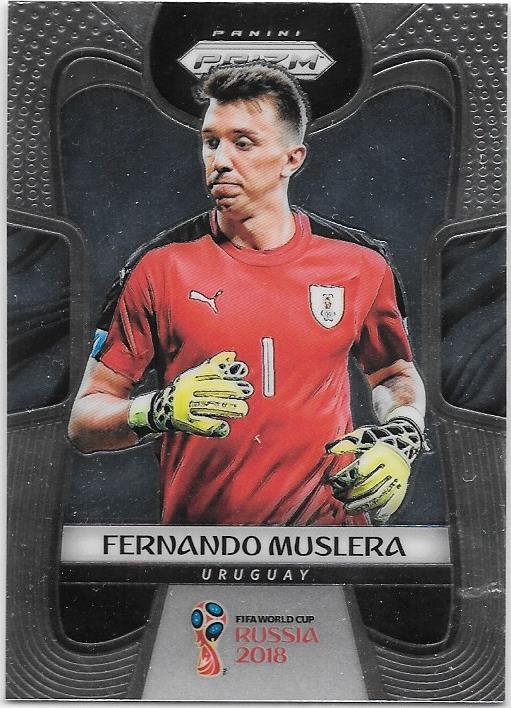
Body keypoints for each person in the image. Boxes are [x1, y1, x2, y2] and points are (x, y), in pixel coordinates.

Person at [68, 62, 426, 526]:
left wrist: (400, 437)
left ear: (292, 159)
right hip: (199, 547)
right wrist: (155, 410)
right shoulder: (159, 267)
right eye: (210, 141)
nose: (219, 160)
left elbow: (394, 374)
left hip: (329, 544)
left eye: (242, 142)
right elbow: (84, 422)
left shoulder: (360, 264)